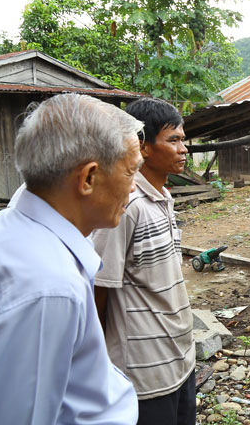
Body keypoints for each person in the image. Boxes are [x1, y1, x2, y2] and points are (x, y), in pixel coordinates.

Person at [0, 93, 141, 424]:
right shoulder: (49, 289)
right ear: (88, 179)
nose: (134, 188)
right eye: (131, 171)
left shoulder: (7, 226)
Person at [92, 97, 195, 425]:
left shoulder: (164, 198)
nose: (184, 149)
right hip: (143, 373)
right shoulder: (126, 206)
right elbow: (98, 289)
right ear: (143, 146)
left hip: (180, 358)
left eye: (183, 139)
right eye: (173, 140)